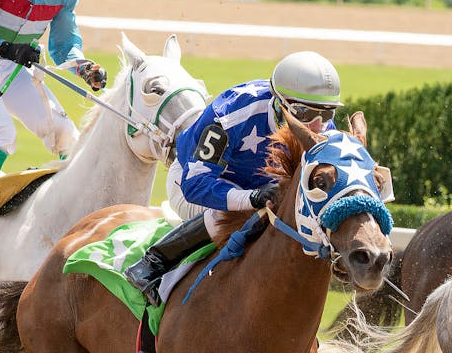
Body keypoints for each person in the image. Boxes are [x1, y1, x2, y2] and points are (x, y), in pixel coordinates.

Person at [123, 51, 343, 306]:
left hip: (260, 186)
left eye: (327, 115)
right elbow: (195, 185)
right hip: (192, 182)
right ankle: (153, 261)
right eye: (304, 114)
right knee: (251, 215)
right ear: (279, 102)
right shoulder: (230, 114)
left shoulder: (322, 126)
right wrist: (251, 198)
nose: (316, 126)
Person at [0, 0, 107, 267]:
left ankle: (76, 225)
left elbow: (64, 44)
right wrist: (2, 46)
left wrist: (84, 67)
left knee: (66, 135)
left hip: (12, 68)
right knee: (1, 134)